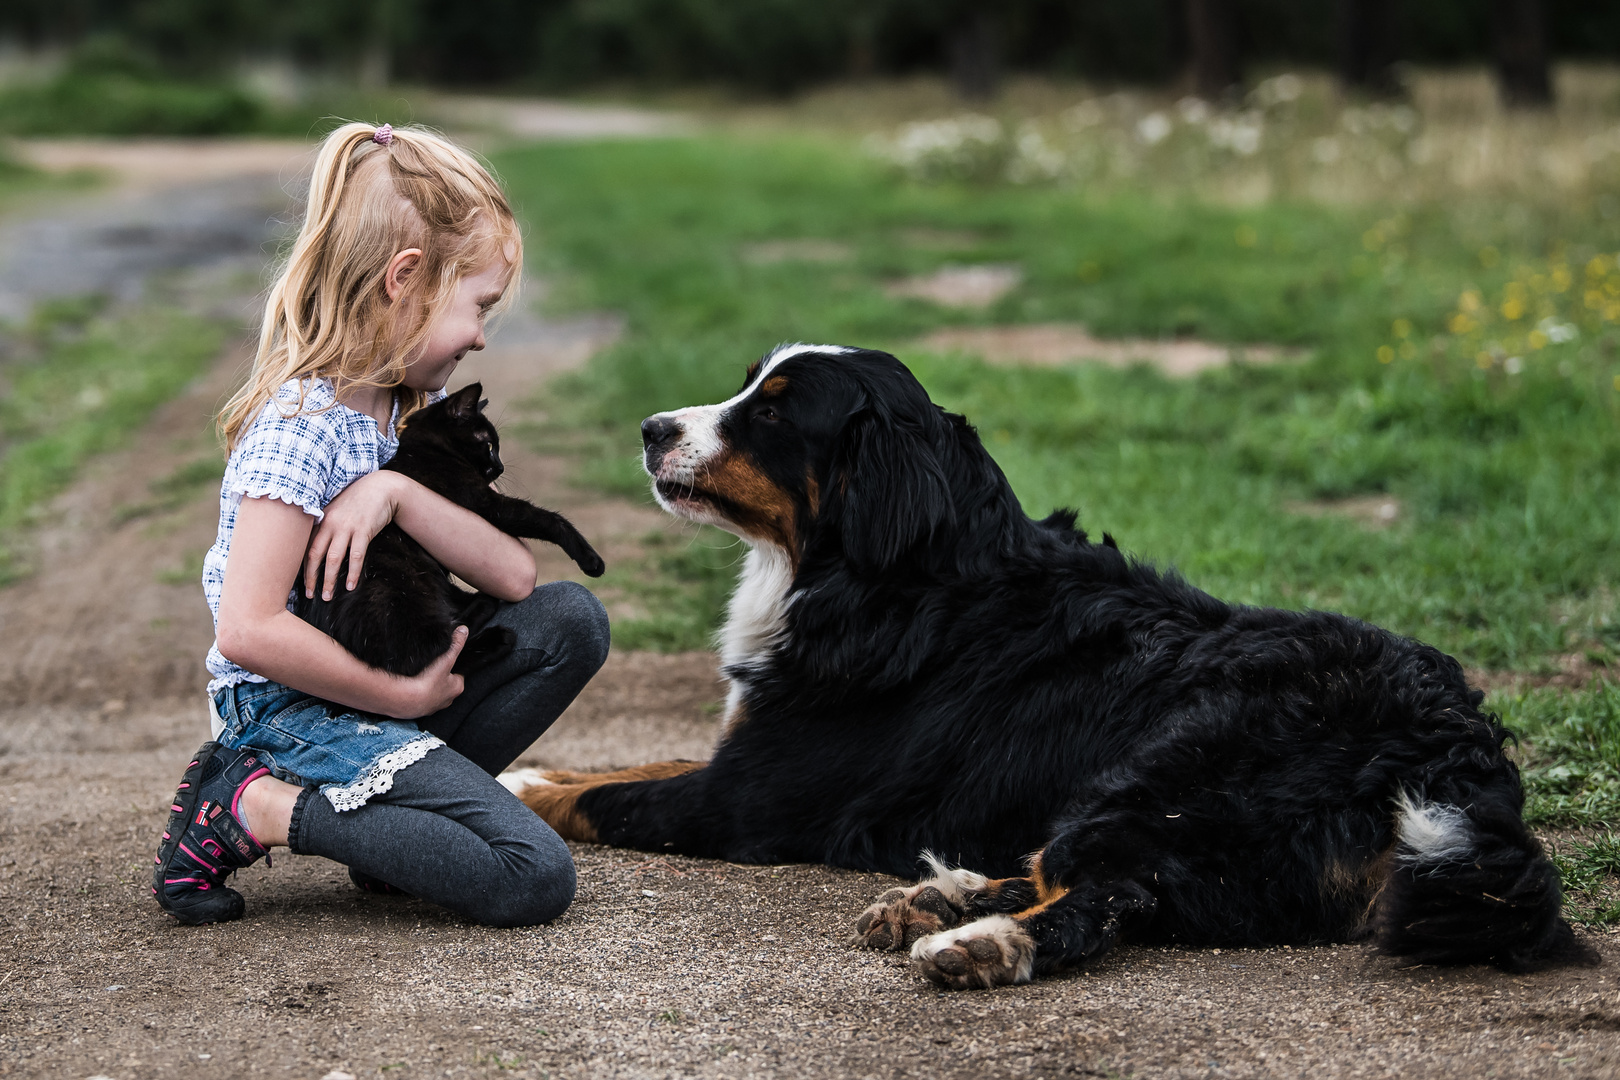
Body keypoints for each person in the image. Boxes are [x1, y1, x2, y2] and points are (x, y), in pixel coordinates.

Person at [151, 122, 609, 928]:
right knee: (532, 874)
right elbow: (249, 630)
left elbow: (515, 578)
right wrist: (398, 695)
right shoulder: (300, 427)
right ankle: (253, 805)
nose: (480, 335)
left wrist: (394, 494)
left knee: (572, 620)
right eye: (479, 306)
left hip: (378, 685)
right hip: (295, 709)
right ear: (407, 279)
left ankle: (394, 842)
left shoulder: (406, 411)